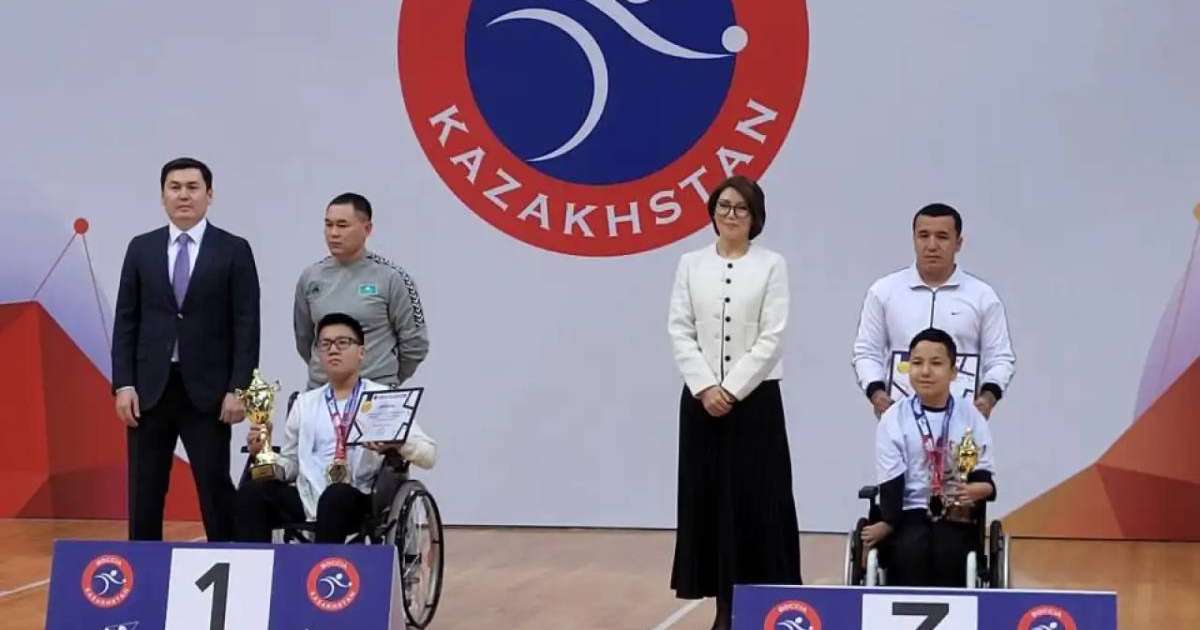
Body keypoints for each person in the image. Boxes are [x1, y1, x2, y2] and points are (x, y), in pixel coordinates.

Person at [667, 175, 801, 630]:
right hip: (701, 404)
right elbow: (679, 329)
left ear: (755, 217)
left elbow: (773, 334)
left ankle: (766, 606)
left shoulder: (771, 265)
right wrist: (707, 387)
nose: (731, 215)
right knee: (708, 503)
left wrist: (733, 389)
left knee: (757, 503)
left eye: (741, 208)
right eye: (723, 206)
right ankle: (723, 607)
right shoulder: (690, 264)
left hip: (755, 405)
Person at [112, 157, 261, 541]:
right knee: (144, 491)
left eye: (192, 187)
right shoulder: (141, 248)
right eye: (174, 187)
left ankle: (228, 558)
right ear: (163, 195)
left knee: (214, 487)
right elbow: (126, 320)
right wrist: (124, 384)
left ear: (209, 195)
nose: (183, 195)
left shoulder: (233, 249)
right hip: (150, 391)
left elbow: (246, 326)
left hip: (208, 393)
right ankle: (143, 568)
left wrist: (239, 389)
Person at [235, 312, 437, 543]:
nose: (333, 350)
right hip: (307, 497)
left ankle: (324, 565)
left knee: (335, 496)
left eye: (343, 342)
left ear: (361, 352)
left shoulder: (383, 399)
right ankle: (255, 564)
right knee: (252, 492)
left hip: (359, 497)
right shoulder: (304, 403)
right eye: (326, 344)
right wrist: (265, 454)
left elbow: (429, 454)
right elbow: (291, 465)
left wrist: (398, 444)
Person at [852, 203, 1015, 419]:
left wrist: (987, 398)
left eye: (942, 237)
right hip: (898, 419)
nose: (932, 245)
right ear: (913, 239)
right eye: (923, 236)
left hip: (963, 421)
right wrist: (877, 393)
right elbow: (866, 351)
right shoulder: (884, 292)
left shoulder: (982, 297)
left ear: (958, 243)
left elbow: (1000, 358)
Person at [860, 328, 996, 587]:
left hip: (954, 512)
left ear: (953, 372)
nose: (925, 371)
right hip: (907, 513)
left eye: (936, 363)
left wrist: (979, 489)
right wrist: (888, 523)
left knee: (950, 553)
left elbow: (981, 476)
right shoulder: (893, 419)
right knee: (909, 552)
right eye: (917, 363)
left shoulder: (969, 416)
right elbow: (891, 481)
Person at [294, 192, 429, 389]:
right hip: (321, 392)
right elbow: (304, 339)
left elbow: (415, 344)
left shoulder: (392, 278)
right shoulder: (310, 277)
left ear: (367, 229)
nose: (333, 233)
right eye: (328, 225)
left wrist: (382, 380)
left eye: (342, 225)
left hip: (375, 394)